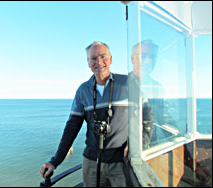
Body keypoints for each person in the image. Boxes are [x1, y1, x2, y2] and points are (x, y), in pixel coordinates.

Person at [40, 41, 154, 187]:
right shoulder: (83, 90)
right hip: (92, 163)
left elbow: (148, 118)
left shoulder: (128, 84)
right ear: (88, 63)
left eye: (103, 56)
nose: (99, 62)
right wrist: (54, 161)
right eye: (93, 58)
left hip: (121, 163)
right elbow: (71, 128)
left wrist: (139, 145)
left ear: (111, 59)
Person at [129, 40, 178, 147]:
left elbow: (164, 119)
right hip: (125, 153)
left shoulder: (157, 87)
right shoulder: (121, 85)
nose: (148, 61)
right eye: (144, 56)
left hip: (149, 150)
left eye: (152, 57)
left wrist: (179, 139)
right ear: (133, 59)